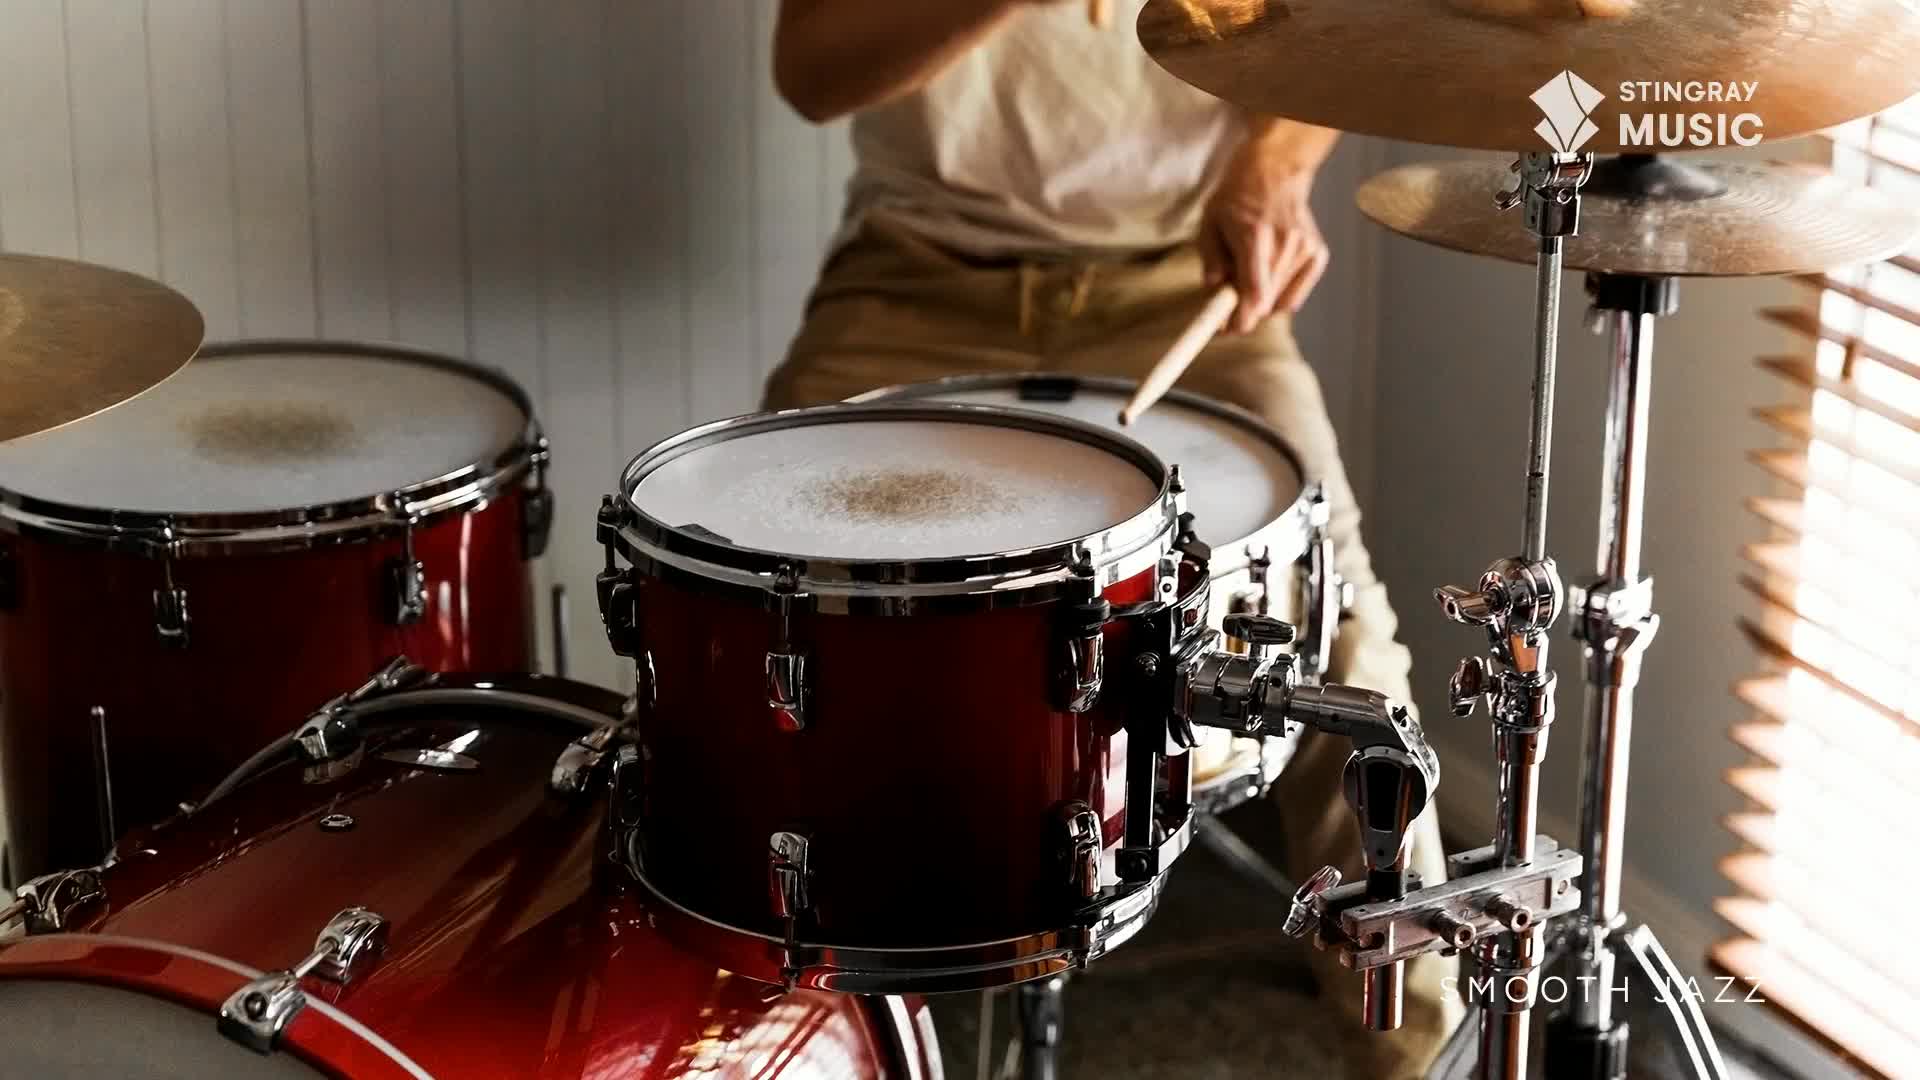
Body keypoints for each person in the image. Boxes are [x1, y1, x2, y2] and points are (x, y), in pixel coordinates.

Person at [765, 2, 1460, 1074]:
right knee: (759, 604)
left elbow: (1328, 23)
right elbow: (809, 70)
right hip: (915, 274)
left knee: (1344, 643)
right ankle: (731, 1039)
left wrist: (1276, 161)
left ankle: (1422, 1049)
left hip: (1183, 280)